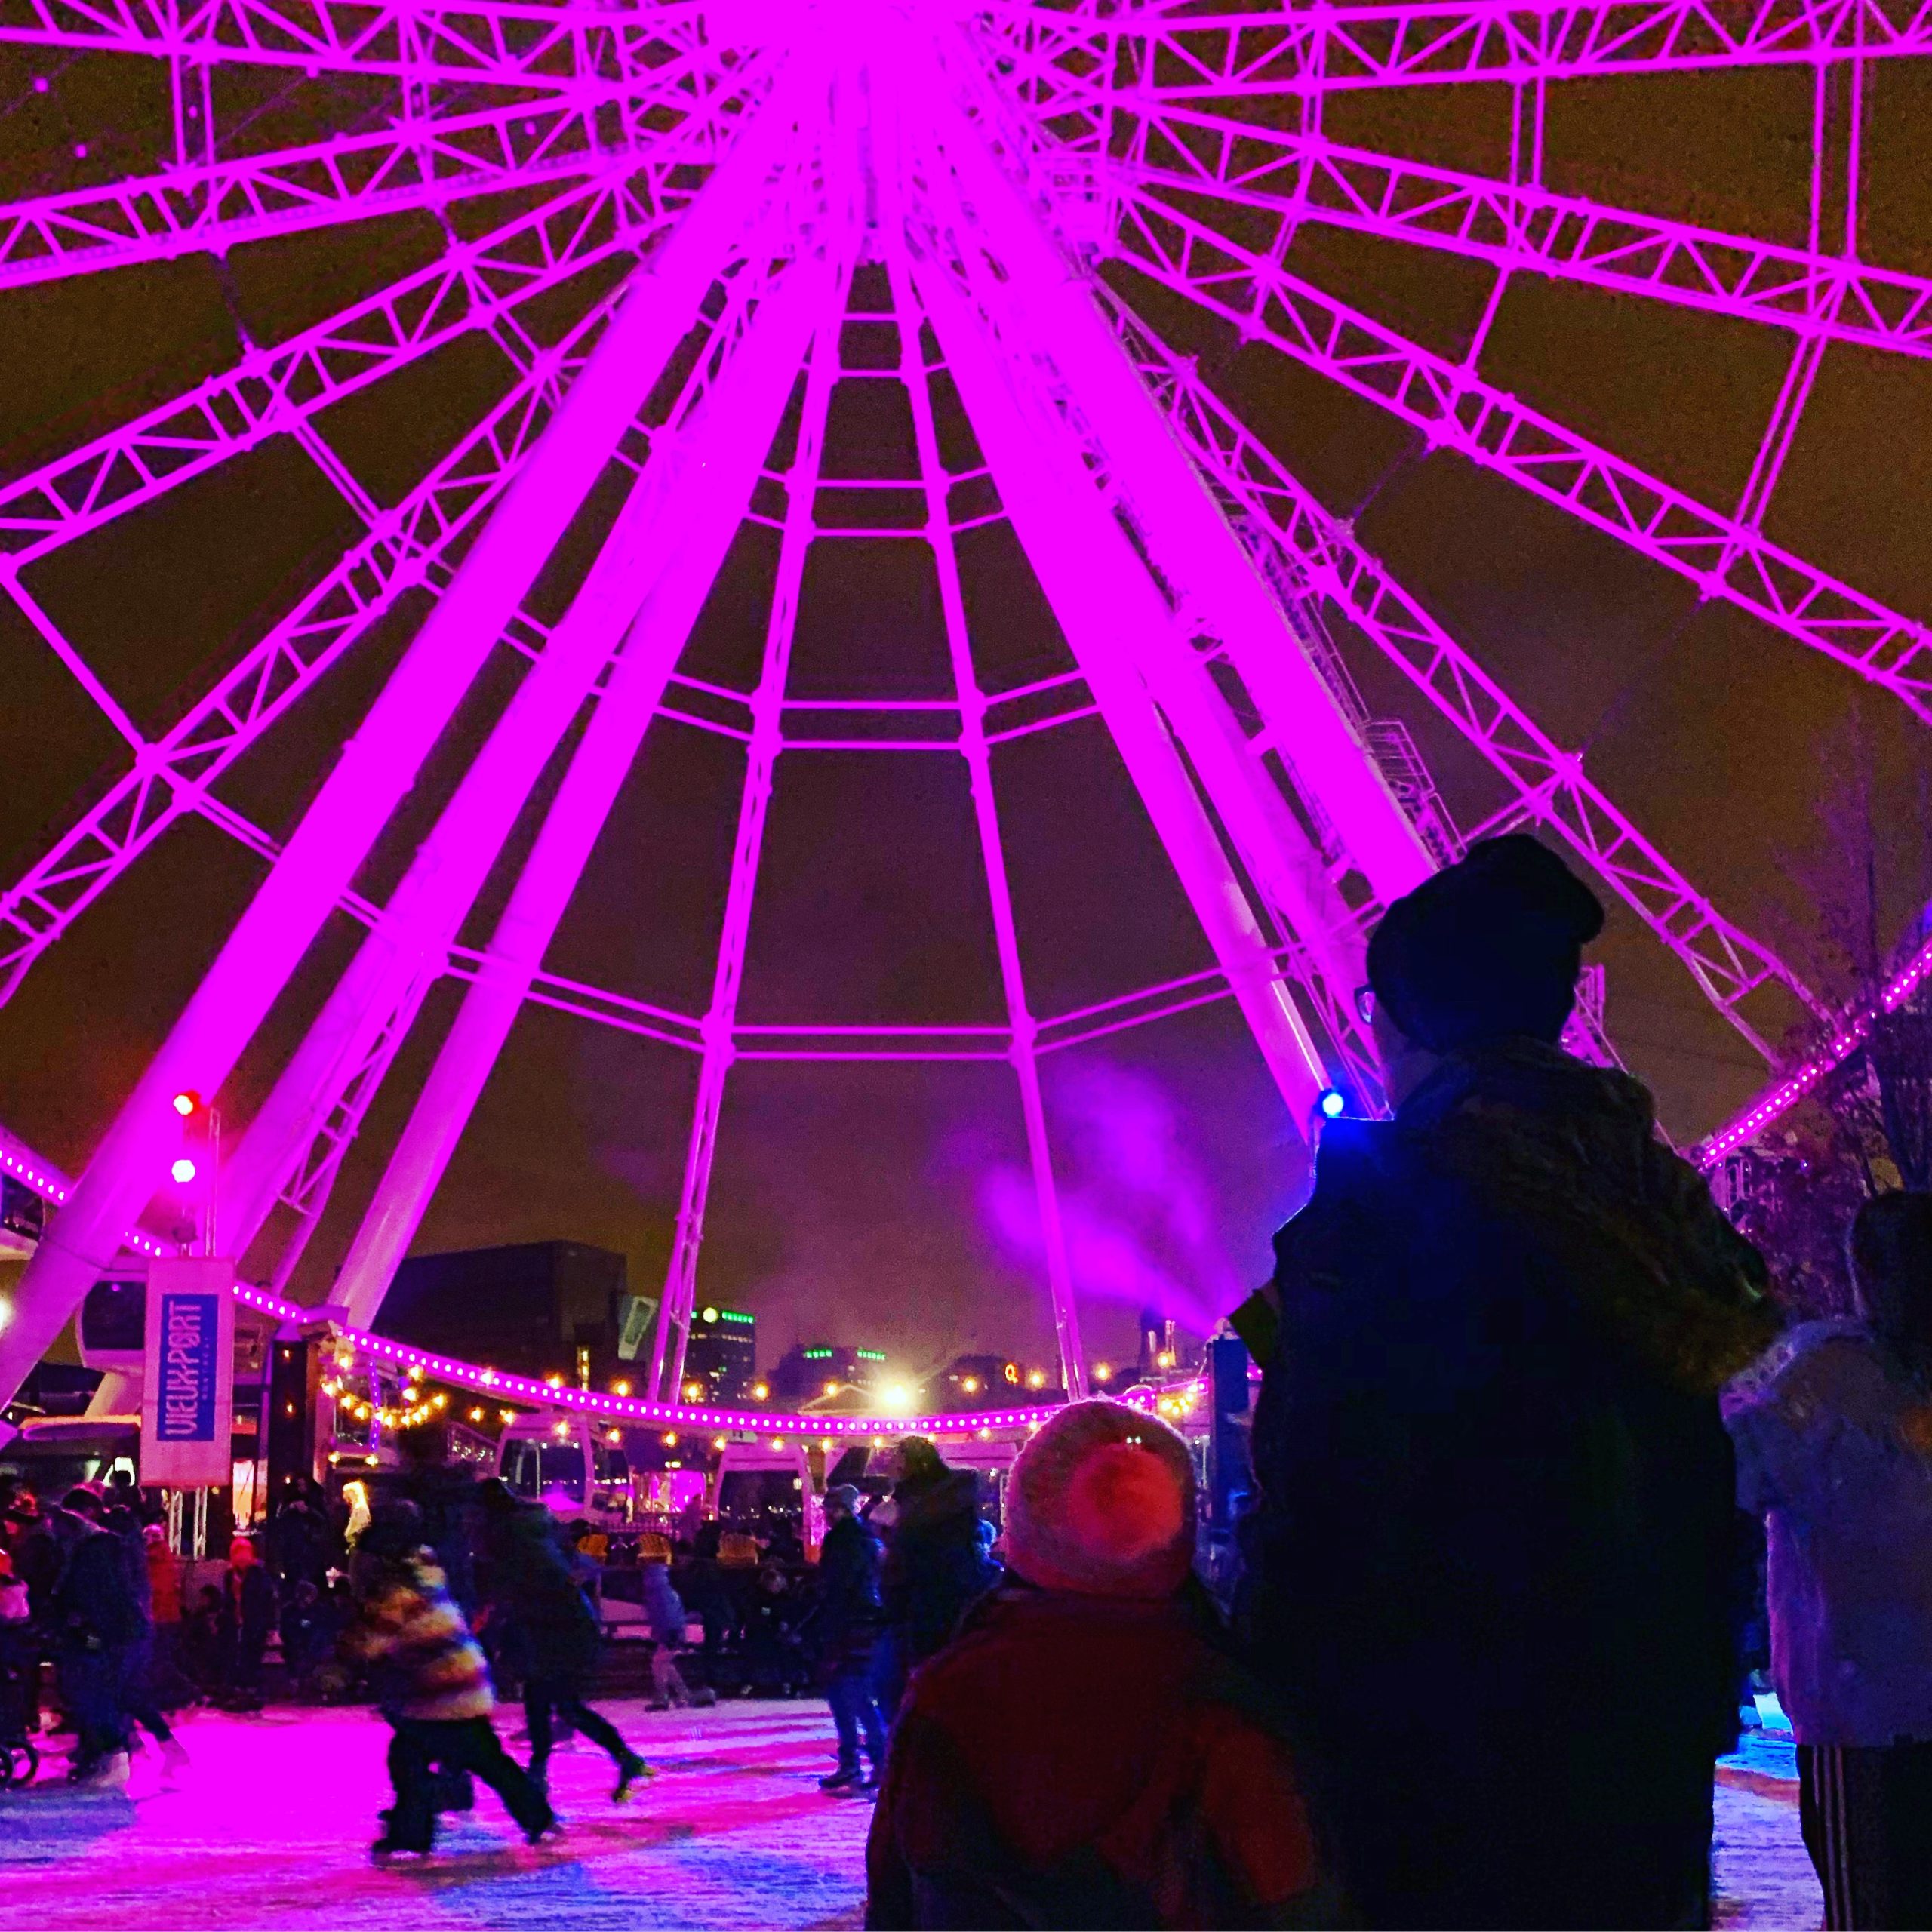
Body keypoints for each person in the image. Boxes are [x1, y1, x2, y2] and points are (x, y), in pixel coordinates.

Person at [1241, 834, 1777, 1930]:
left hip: (1436, 1754)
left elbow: (1330, 1517)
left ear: (1410, 1023)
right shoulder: (1672, 1225)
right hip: (1639, 1745)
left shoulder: (1388, 1224)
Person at [866, 1401, 1337, 1929]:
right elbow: (1297, 1903)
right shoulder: (1225, 1707)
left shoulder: (951, 1695)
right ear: (1181, 1539)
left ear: (1022, 1528)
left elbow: (896, 1895)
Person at [1726, 1192, 1932, 1929]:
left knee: (1873, 1908)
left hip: (1863, 1716)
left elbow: (1730, 1468)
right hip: (1885, 1704)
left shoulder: (1815, 1372)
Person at [347, 1499, 557, 1857]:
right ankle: (538, 1819)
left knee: (411, 1759)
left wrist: (342, 1658)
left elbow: (370, 1643)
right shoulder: (427, 1574)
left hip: (444, 1692)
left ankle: (414, 1834)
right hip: (464, 1684)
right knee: (483, 1760)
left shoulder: (397, 1594)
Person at [474, 1480, 651, 1802]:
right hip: (569, 1619)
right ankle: (619, 1759)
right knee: (557, 1701)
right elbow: (571, 1564)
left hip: (548, 1624)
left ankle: (542, 1773)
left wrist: (492, 1617)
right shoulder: (539, 1523)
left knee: (546, 1698)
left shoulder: (505, 1537)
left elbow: (506, 1585)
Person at [875, 1438, 997, 1714]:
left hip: (929, 1607)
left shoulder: (928, 1508)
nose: (891, 1464)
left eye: (897, 1457)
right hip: (927, 1606)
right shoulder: (923, 1504)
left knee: (903, 1690)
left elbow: (921, 1559)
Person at [46, 1497, 143, 1786]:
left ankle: (111, 1757)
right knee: (96, 1693)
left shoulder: (92, 1552)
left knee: (96, 1694)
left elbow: (97, 1598)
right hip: (103, 1633)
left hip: (99, 1634)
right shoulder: (100, 1548)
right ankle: (105, 1757)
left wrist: (85, 1628)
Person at [813, 1484, 888, 1792]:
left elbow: (838, 1588)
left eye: (831, 1509)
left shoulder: (843, 1542)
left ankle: (862, 1763)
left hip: (847, 1626)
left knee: (849, 1695)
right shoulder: (868, 1540)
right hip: (863, 1625)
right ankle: (868, 1763)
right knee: (853, 1696)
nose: (827, 1515)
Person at [639, 1553, 714, 1711]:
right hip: (670, 1633)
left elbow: (667, 1616)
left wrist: (670, 1634)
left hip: (670, 1634)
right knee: (664, 1664)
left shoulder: (660, 1594)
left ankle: (663, 1697)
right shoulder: (661, 1592)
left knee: (659, 1664)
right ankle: (684, 1695)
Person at [221, 1536, 275, 1709]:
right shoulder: (230, 1575)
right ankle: (240, 1690)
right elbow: (228, 1599)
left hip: (254, 1621)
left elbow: (267, 1601)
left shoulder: (259, 1575)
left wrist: (270, 1625)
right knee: (236, 1655)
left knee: (251, 1656)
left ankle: (252, 1692)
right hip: (236, 1621)